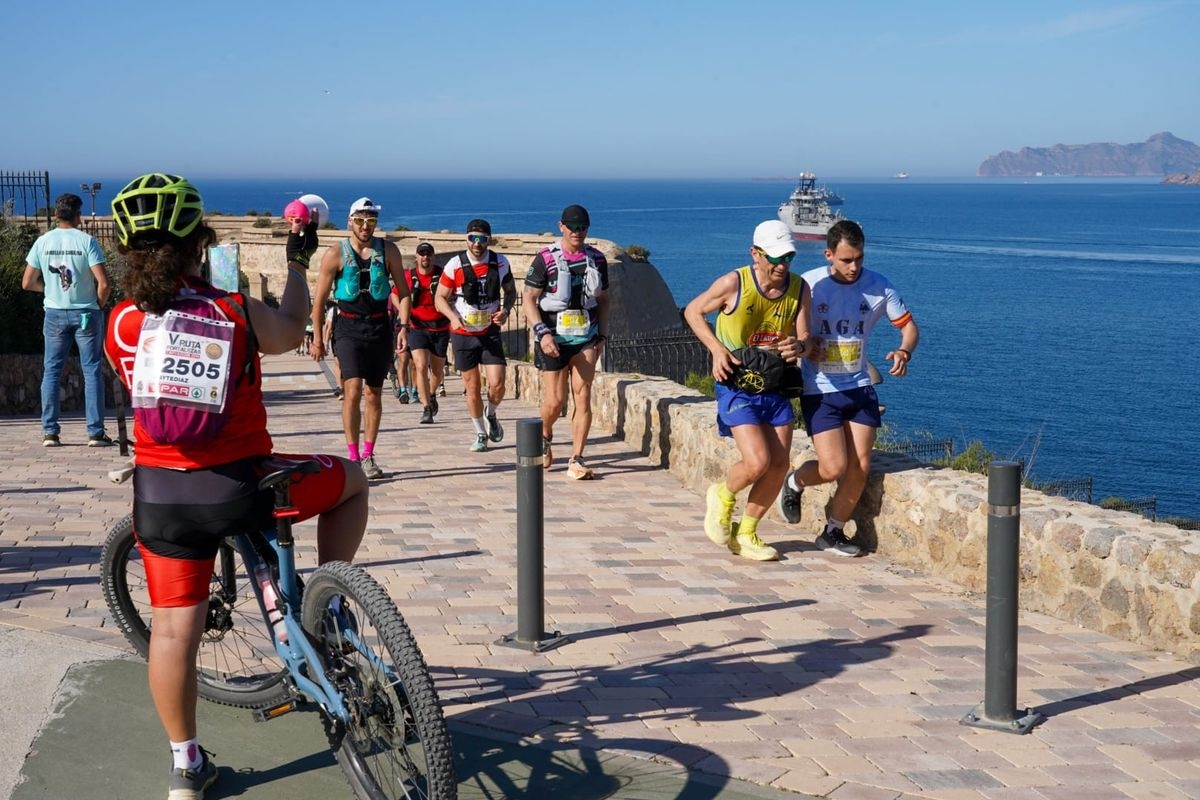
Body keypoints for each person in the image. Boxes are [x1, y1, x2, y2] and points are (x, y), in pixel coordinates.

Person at [102, 173, 369, 800]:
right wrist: (296, 262)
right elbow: (294, 329)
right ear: (202, 242)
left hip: (163, 499)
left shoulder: (121, 322)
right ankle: (329, 607)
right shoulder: (232, 310)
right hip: (243, 487)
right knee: (353, 481)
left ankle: (186, 767)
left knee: (174, 634)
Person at [777, 219, 919, 557]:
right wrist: (803, 347)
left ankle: (833, 532)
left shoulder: (879, 286)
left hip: (859, 385)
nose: (854, 267)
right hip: (820, 388)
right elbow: (792, 331)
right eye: (846, 260)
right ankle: (795, 481)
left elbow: (910, 328)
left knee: (860, 466)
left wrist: (903, 352)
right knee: (833, 468)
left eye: (859, 258)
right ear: (828, 255)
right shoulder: (809, 285)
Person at [683, 219, 810, 562]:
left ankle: (746, 533)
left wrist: (799, 346)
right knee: (757, 462)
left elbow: (807, 337)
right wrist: (716, 349)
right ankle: (722, 495)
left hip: (774, 384)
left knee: (779, 465)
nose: (783, 265)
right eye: (776, 258)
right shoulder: (734, 283)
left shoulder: (799, 289)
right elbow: (693, 311)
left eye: (788, 258)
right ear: (756, 253)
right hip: (736, 384)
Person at [310, 198, 410, 480]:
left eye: (371, 221)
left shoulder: (388, 251)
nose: (365, 226)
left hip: (380, 328)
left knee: (374, 393)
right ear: (349, 221)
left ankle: (368, 454)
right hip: (348, 327)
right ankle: (353, 456)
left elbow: (403, 292)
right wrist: (317, 338)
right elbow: (319, 302)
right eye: (360, 220)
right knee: (352, 388)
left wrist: (403, 326)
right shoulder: (335, 254)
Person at [523, 204, 610, 479]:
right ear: (561, 226)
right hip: (553, 338)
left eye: (582, 227)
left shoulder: (597, 259)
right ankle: (545, 434)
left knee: (583, 396)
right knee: (555, 401)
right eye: (572, 227)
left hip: (585, 338)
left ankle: (577, 457)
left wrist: (602, 335)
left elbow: (604, 300)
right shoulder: (545, 259)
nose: (577, 232)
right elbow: (528, 299)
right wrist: (542, 333)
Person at [22, 193, 112, 447]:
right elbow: (104, 283)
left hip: (54, 313)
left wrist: (50, 290)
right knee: (92, 370)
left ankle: (50, 432)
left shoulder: (42, 241)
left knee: (51, 370)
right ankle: (95, 432)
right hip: (86, 313)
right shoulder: (86, 241)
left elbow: (27, 282)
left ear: (56, 214)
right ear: (77, 215)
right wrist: (98, 304)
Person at [433, 219, 516, 452]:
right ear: (466, 239)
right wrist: (452, 317)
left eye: (482, 239)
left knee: (497, 384)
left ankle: (491, 413)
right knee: (472, 386)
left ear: (489, 240)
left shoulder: (500, 263)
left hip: (490, 331)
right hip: (463, 333)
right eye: (472, 238)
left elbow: (511, 292)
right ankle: (480, 433)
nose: (477, 243)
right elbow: (439, 298)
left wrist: (506, 311)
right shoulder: (455, 265)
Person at [406, 242, 450, 424]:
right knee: (421, 366)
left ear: (433, 256)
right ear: (416, 257)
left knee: (438, 371)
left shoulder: (443, 275)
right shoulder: (409, 276)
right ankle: (426, 408)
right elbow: (395, 294)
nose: (425, 257)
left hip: (440, 327)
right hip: (417, 326)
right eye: (422, 254)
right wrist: (404, 311)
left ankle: (431, 394)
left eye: (428, 254)